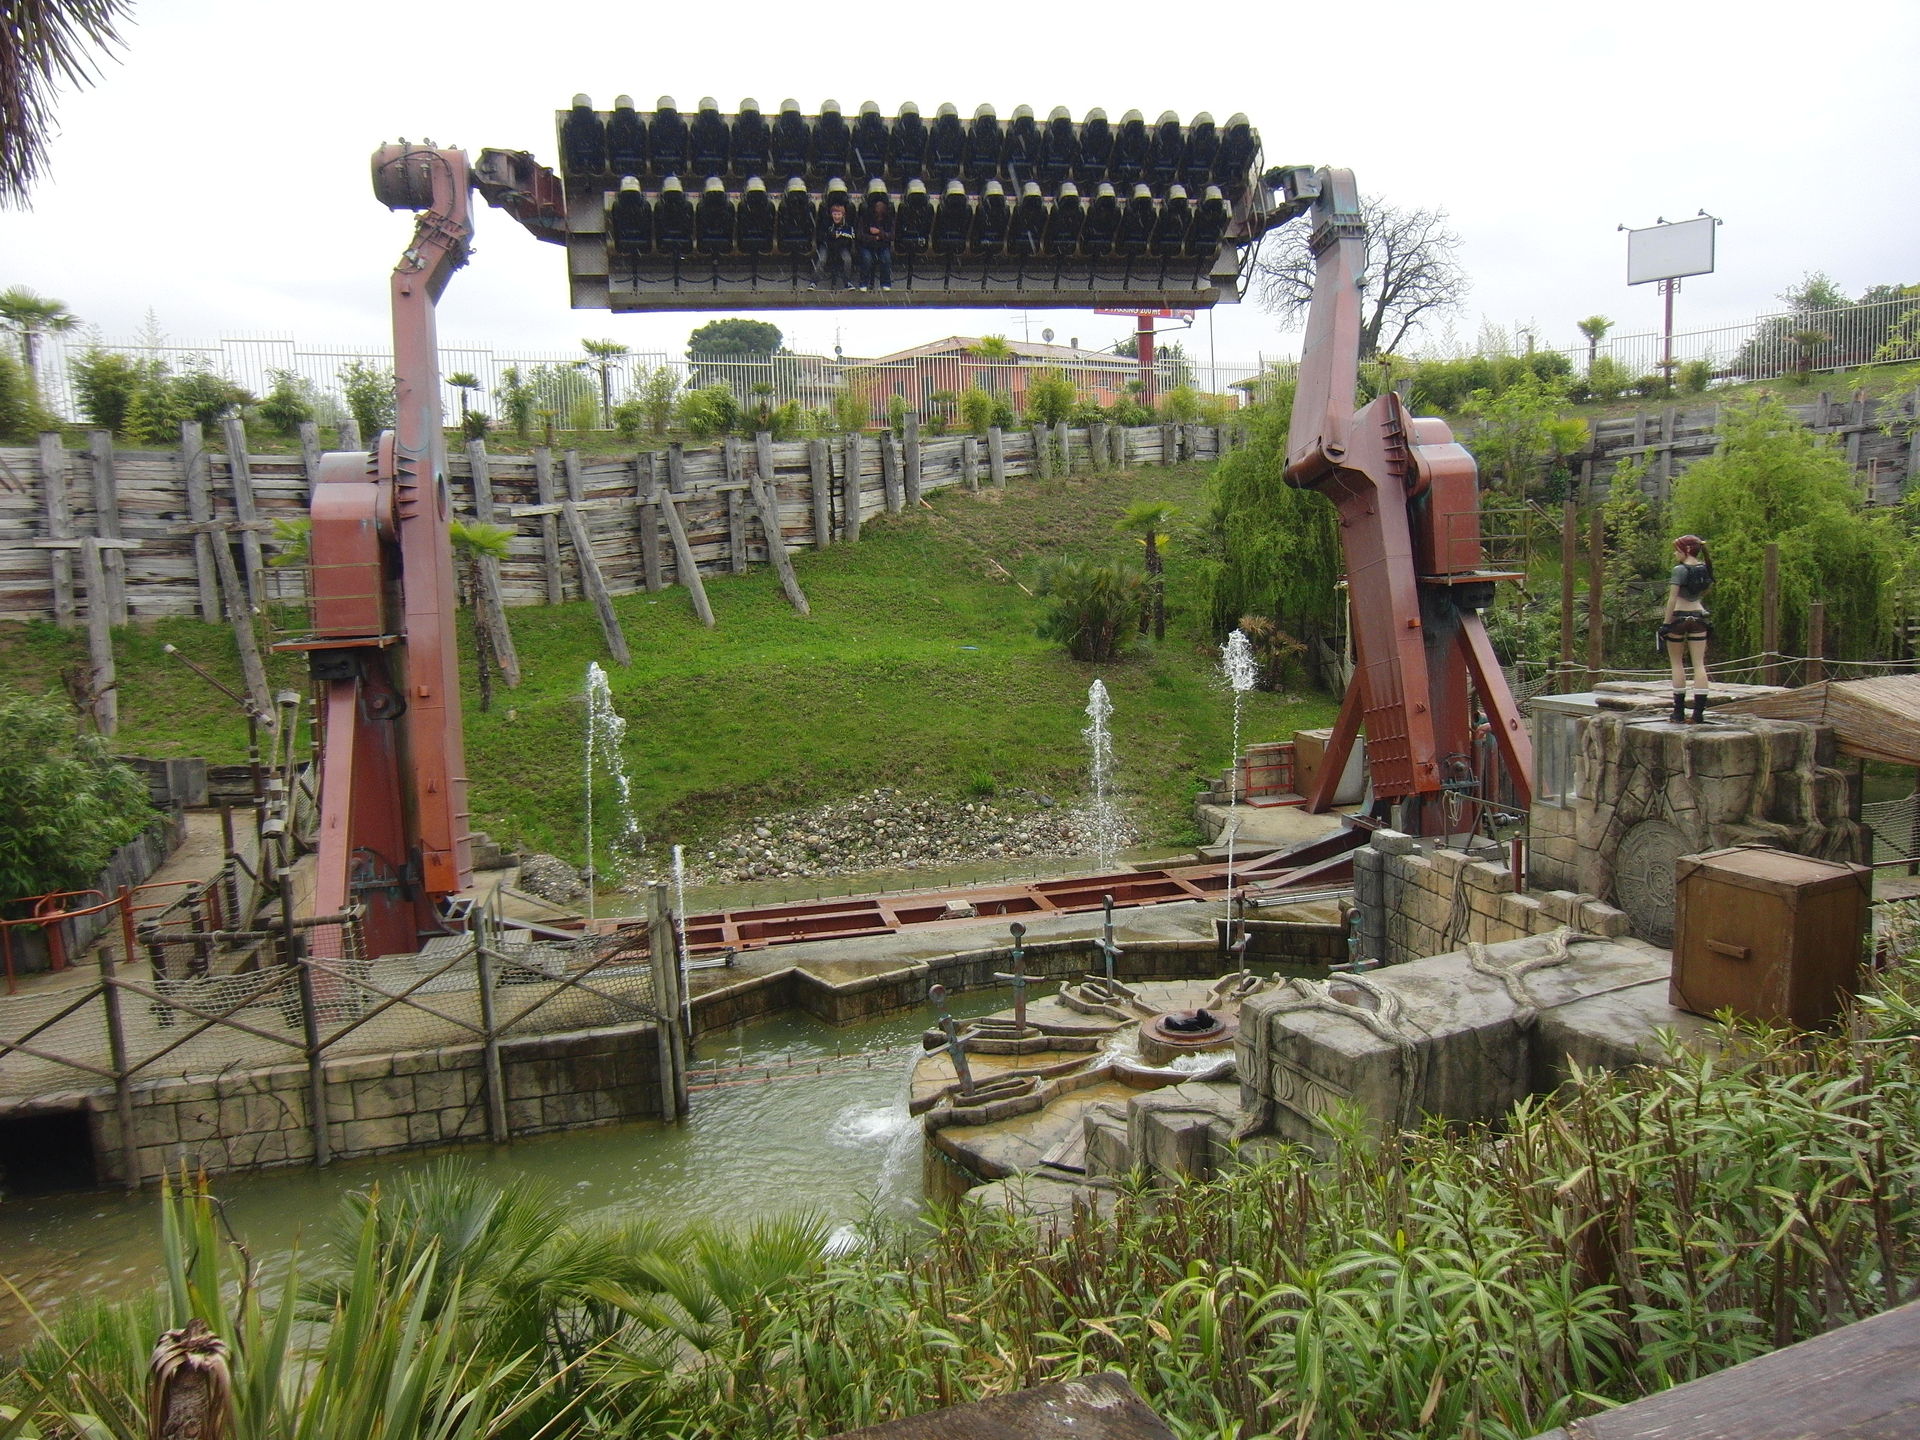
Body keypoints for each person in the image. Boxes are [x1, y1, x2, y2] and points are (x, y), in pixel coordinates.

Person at [1660, 534, 1714, 723]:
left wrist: (1666, 623)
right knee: (1699, 664)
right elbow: (1705, 590)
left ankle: (1678, 712)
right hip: (1699, 616)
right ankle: (1698, 714)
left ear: (1687, 550)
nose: (1675, 554)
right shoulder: (1705, 568)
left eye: (1677, 550)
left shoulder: (1679, 570)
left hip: (1679, 617)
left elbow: (1672, 598)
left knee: (1677, 663)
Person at [857, 193, 895, 291]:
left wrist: (880, 233)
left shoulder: (888, 218)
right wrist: (874, 238)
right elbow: (860, 235)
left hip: (882, 245)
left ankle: (885, 283)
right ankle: (863, 283)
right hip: (866, 245)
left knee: (886, 258)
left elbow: (892, 235)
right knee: (867, 259)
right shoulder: (865, 216)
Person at [815, 201, 854, 290]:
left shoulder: (846, 225)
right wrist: (831, 236)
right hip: (827, 245)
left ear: (843, 215)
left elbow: (849, 239)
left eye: (839, 214)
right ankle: (814, 281)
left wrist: (839, 240)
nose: (837, 217)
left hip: (841, 246)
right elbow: (821, 236)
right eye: (834, 214)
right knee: (821, 259)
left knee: (847, 260)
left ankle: (847, 281)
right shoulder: (826, 223)